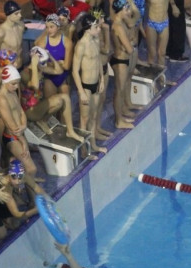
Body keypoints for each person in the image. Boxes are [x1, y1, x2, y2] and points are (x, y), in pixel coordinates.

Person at [21, 46, 87, 143]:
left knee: (64, 98)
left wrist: (50, 56)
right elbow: (35, 86)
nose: (44, 64)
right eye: (42, 62)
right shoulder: (25, 73)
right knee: (61, 98)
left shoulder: (40, 68)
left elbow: (59, 71)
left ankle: (69, 131)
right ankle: (41, 120)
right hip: (30, 111)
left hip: (39, 106)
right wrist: (34, 65)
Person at [0, 159, 45, 239]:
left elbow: (37, 189)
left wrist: (48, 200)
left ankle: (1, 219)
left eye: (20, 177)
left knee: (14, 224)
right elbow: (16, 214)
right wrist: (36, 210)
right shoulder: (5, 185)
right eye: (14, 178)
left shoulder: (23, 175)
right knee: (1, 235)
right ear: (9, 175)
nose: (17, 181)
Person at [72, 14, 108, 154]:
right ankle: (83, 150)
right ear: (88, 29)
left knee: (93, 117)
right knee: (84, 119)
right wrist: (81, 92)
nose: (99, 29)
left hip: (96, 84)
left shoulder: (95, 40)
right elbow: (75, 71)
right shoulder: (81, 46)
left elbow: (98, 61)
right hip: (85, 86)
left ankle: (93, 145)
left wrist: (102, 79)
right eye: (96, 27)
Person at [0, 65, 39, 178]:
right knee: (31, 169)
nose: (16, 86)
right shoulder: (1, 99)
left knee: (17, 166)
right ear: (5, 82)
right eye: (13, 83)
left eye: (17, 83)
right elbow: (11, 126)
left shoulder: (12, 92)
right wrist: (24, 142)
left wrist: (24, 125)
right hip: (12, 138)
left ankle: (27, 184)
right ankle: (30, 188)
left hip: (20, 134)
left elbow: (21, 111)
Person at [34, 14, 74, 99]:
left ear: (58, 27)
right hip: (49, 77)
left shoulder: (67, 42)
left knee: (65, 101)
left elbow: (67, 66)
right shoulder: (42, 42)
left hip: (63, 77)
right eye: (47, 27)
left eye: (52, 27)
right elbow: (39, 64)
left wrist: (49, 63)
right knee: (52, 103)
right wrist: (60, 63)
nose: (49, 30)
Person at [110, 0, 136, 129]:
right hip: (120, 61)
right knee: (119, 91)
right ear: (121, 10)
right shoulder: (118, 26)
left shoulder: (120, 23)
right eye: (126, 9)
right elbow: (129, 49)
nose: (128, 12)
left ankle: (121, 116)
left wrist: (129, 43)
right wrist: (130, 43)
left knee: (120, 89)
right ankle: (118, 120)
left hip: (122, 59)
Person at [92, 8, 113, 141]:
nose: (104, 21)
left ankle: (98, 127)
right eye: (101, 18)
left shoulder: (100, 32)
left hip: (104, 68)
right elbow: (106, 50)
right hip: (97, 72)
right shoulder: (94, 35)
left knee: (102, 99)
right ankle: (93, 131)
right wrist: (107, 31)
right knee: (96, 103)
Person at [0, 1, 25, 71]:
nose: (20, 15)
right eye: (16, 14)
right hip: (9, 70)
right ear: (8, 15)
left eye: (20, 12)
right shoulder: (1, 32)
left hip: (20, 66)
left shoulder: (21, 26)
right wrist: (1, 73)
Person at [145, 0, 175, 68]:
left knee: (162, 53)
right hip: (151, 23)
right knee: (152, 53)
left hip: (164, 23)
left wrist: (174, 6)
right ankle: (150, 71)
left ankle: (161, 72)